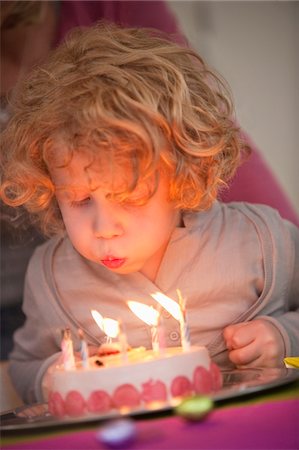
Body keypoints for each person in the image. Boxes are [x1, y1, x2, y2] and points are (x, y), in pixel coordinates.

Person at [1, 22, 298, 404]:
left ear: (183, 174)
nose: (104, 228)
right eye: (79, 200)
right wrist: (56, 377)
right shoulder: (52, 278)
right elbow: (24, 365)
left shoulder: (261, 242)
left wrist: (286, 335)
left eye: (129, 197)